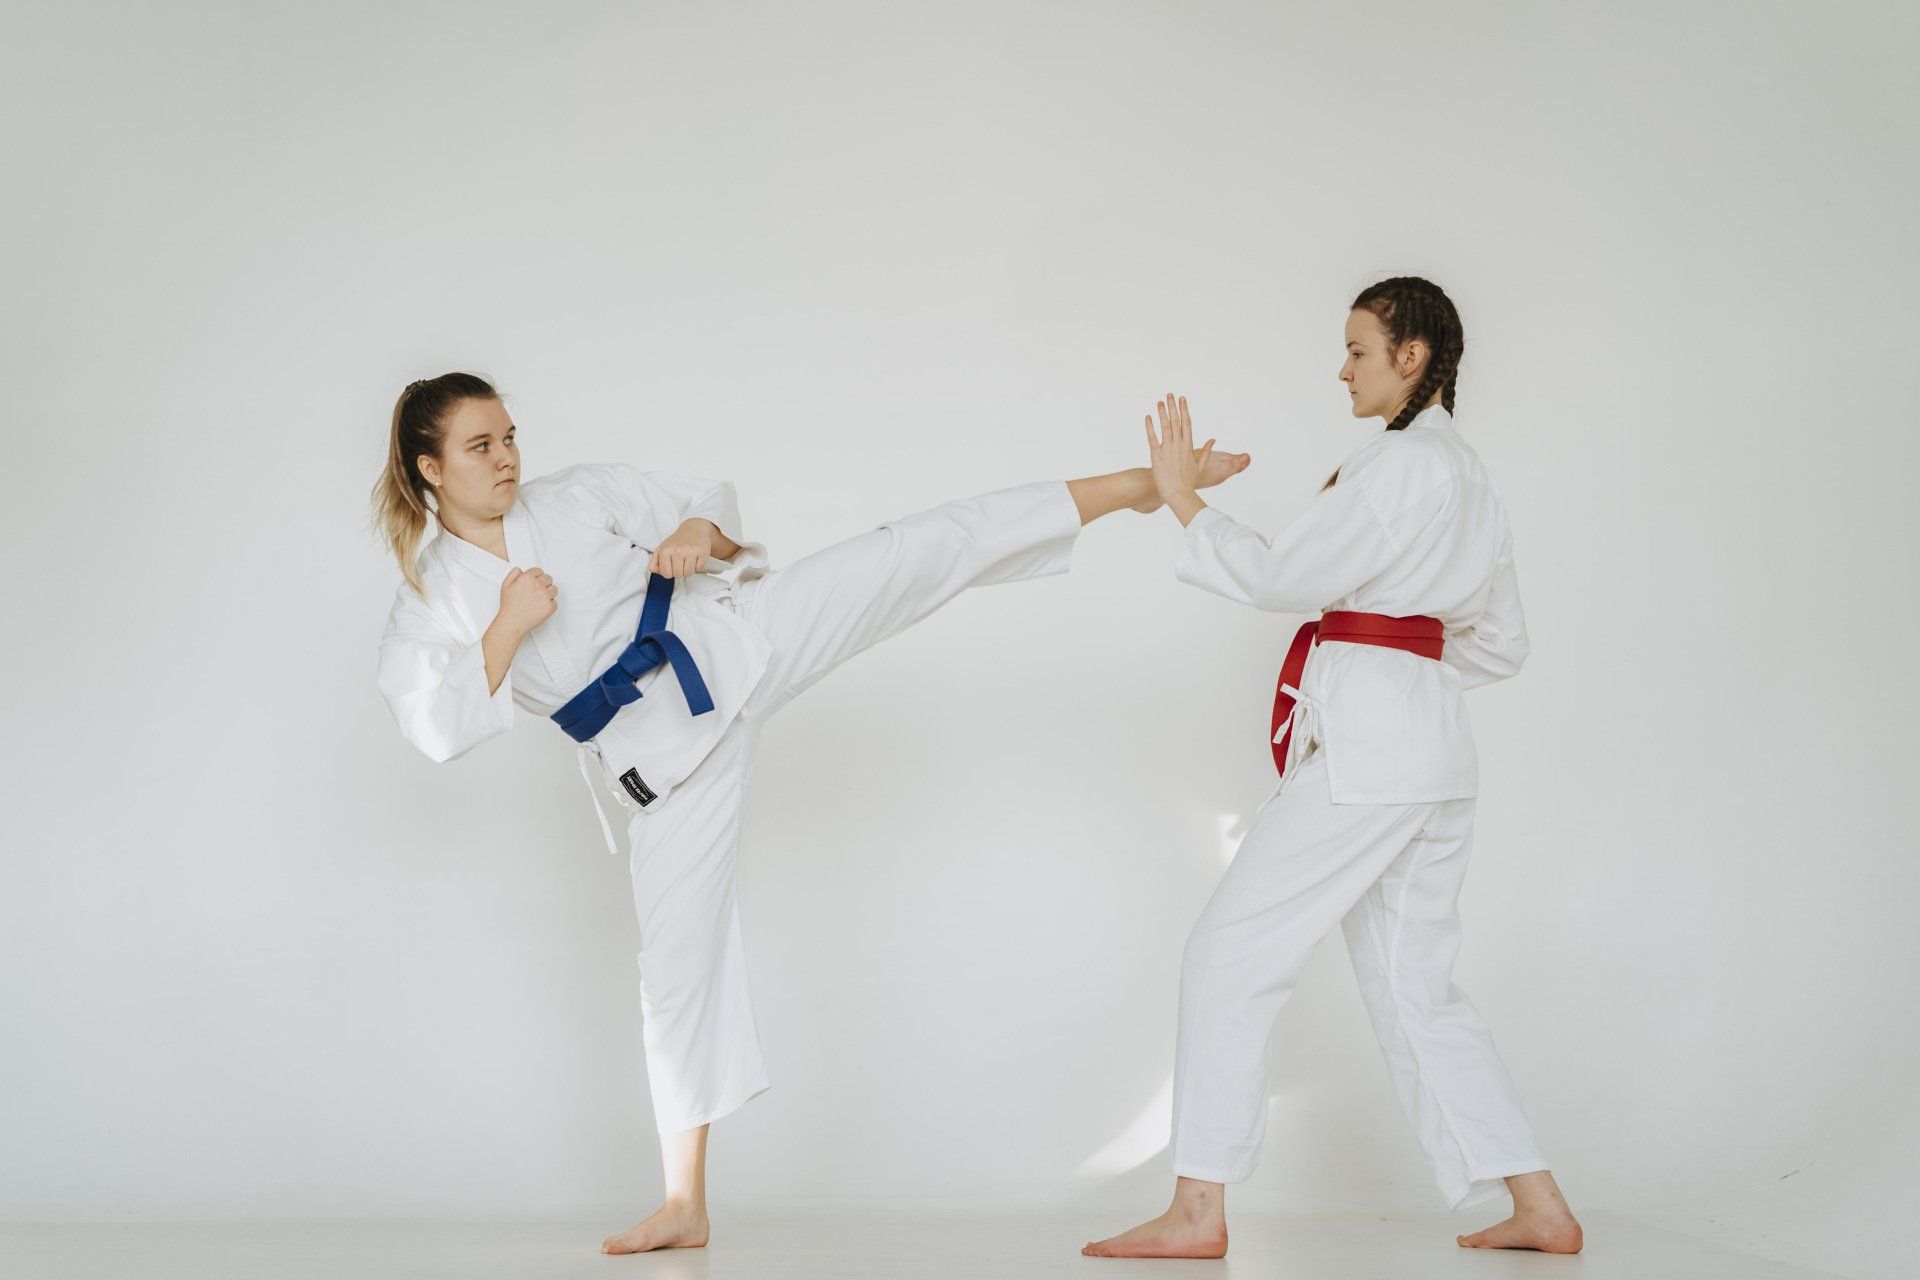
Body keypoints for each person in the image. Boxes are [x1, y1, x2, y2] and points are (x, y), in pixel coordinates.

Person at [368, 372, 1249, 1255]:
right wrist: (504, 628)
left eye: (510, 436)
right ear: (430, 468)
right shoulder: (428, 598)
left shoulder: (577, 495)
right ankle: (685, 1205)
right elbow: (434, 725)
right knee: (675, 973)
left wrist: (692, 535)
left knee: (915, 547)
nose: (508, 458)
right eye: (480, 446)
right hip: (665, 765)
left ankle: (1142, 489)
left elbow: (709, 514)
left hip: (739, 639)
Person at [1083, 278, 1582, 1259]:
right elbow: (1502, 642)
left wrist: (1180, 493)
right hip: (1433, 750)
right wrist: (1409, 668)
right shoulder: (1469, 475)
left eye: (1358, 348)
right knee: (1415, 985)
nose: (1341, 368)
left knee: (1230, 951)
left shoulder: (1396, 467)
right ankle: (1540, 1202)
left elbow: (1279, 577)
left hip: (1375, 754)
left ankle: (1198, 1206)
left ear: (1413, 355)